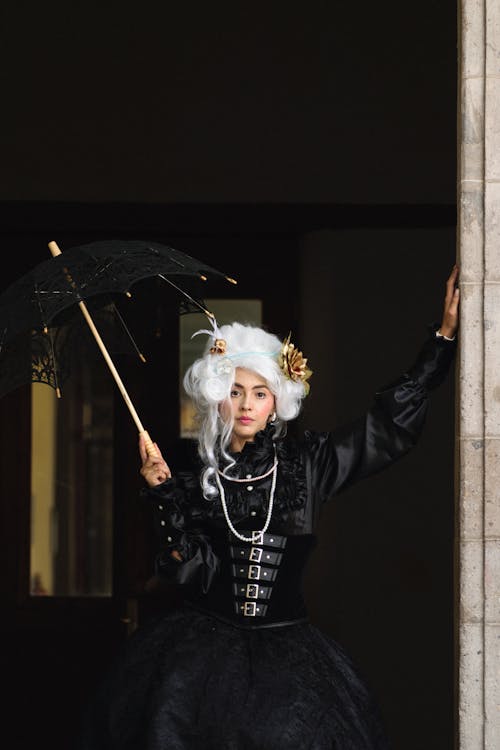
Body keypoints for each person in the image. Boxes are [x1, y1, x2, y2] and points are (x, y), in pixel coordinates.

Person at [80, 267, 459, 749]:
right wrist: (163, 493)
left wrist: (443, 337)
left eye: (259, 393)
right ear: (218, 398)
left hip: (292, 662)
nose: (246, 404)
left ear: (276, 402)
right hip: (197, 663)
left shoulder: (309, 465)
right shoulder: (195, 483)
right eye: (235, 392)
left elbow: (385, 430)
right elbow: (187, 571)